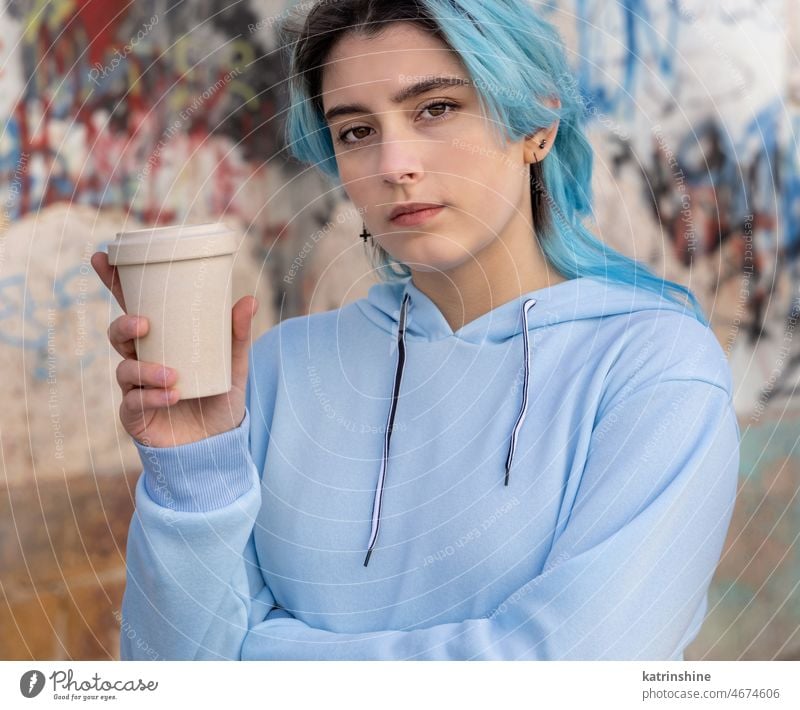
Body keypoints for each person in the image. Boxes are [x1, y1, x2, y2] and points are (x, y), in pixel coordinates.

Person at [92, 0, 740, 660]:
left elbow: (575, 668)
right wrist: (193, 469)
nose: (394, 164)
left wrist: (253, 658)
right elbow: (171, 672)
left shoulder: (654, 368)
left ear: (536, 125)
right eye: (355, 131)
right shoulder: (275, 372)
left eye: (435, 109)